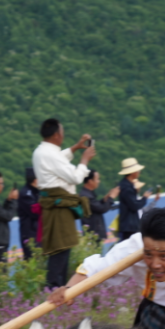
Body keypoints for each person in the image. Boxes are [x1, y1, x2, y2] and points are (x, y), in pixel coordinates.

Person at [33, 118, 96, 288]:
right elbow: (75, 177)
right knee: (61, 249)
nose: (62, 135)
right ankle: (55, 289)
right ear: (56, 135)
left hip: (54, 204)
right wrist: (84, 161)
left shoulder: (41, 151)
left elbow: (57, 160)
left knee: (59, 248)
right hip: (59, 207)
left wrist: (75, 147)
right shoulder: (51, 154)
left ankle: (56, 288)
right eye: (62, 132)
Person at [116, 158, 159, 240]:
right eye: (137, 170)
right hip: (129, 227)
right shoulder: (126, 188)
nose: (139, 172)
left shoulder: (127, 185)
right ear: (132, 172)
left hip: (130, 226)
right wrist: (145, 197)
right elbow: (134, 205)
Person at [79, 169, 120, 244]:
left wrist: (106, 198)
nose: (99, 181)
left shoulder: (87, 194)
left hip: (93, 233)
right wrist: (111, 197)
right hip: (93, 234)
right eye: (97, 179)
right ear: (90, 181)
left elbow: (96, 205)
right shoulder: (86, 196)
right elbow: (101, 209)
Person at [17, 168, 41, 261]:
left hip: (37, 232)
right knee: (31, 261)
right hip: (30, 234)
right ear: (35, 180)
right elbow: (35, 213)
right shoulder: (25, 194)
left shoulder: (36, 192)